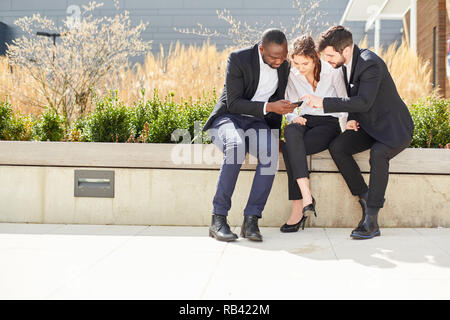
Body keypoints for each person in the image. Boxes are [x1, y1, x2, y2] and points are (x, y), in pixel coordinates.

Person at [302, 26, 414, 240]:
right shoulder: (344, 64)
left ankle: (371, 219)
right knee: (338, 147)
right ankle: (364, 196)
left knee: (378, 154)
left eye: (330, 55)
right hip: (369, 126)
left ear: (345, 49)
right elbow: (354, 96)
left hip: (394, 128)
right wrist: (352, 117)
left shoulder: (370, 63)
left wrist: (323, 103)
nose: (327, 60)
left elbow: (364, 101)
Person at [202, 29, 296, 242]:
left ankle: (251, 219)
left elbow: (277, 106)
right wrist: (270, 106)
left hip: (257, 123)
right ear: (261, 49)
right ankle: (218, 219)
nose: (279, 61)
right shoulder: (238, 59)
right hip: (228, 118)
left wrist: (274, 136)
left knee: (270, 154)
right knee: (236, 148)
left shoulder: (284, 66)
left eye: (283, 56)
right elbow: (233, 102)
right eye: (273, 57)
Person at [280, 35, 348, 233]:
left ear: (316, 57)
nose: (300, 68)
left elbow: (345, 102)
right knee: (291, 131)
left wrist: (345, 129)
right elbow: (289, 102)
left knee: (291, 149)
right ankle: (307, 197)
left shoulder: (333, 72)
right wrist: (294, 117)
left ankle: (298, 207)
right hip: (305, 122)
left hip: (328, 123)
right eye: (297, 63)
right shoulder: (293, 75)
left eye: (305, 63)